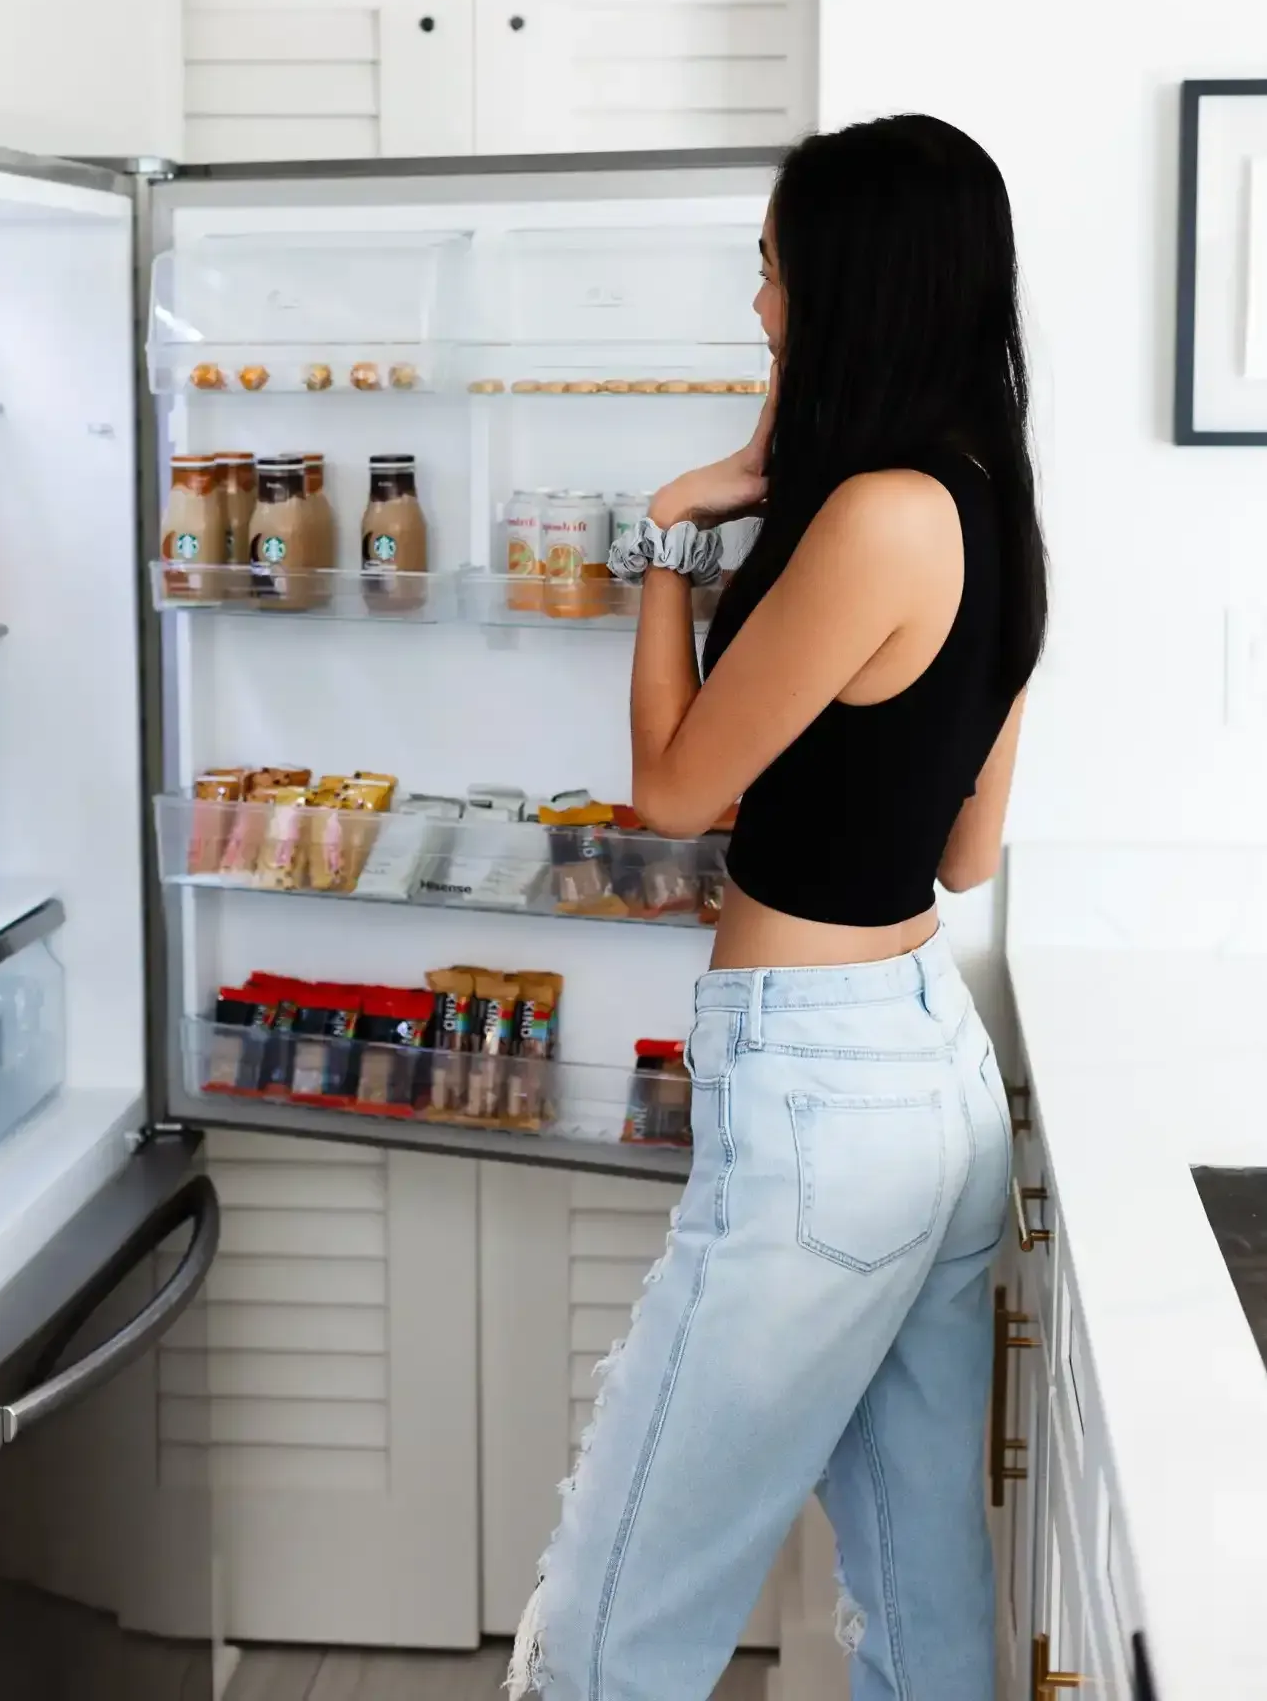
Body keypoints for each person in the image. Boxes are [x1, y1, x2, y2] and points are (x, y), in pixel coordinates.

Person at [508, 114, 1046, 1701]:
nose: (759, 306)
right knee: (921, 1593)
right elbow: (964, 856)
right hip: (932, 1084)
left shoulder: (877, 516)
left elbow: (673, 793)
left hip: (818, 1090)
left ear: (843, 284)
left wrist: (669, 539)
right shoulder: (997, 509)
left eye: (770, 271)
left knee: (616, 1616)